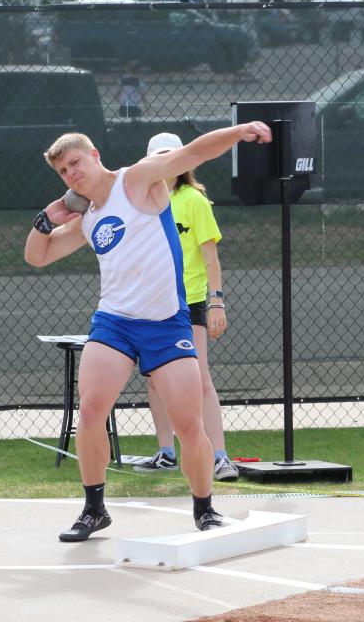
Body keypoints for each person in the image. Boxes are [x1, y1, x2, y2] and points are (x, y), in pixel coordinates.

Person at [25, 120, 272, 541]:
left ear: (94, 156)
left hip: (165, 323)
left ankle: (205, 509)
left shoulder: (135, 180)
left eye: (75, 163)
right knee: (90, 411)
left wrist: (238, 132)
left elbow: (191, 153)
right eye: (63, 172)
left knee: (188, 424)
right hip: (115, 323)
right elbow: (37, 257)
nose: (71, 174)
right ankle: (94, 508)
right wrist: (46, 219)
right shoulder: (89, 218)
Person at [133, 132, 238, 482]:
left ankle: (219, 456)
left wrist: (216, 302)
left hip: (189, 304)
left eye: (172, 156)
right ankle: (166, 453)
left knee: (201, 379)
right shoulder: (139, 200)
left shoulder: (193, 200)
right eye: (159, 157)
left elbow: (211, 259)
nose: (166, 164)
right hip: (151, 304)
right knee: (155, 381)